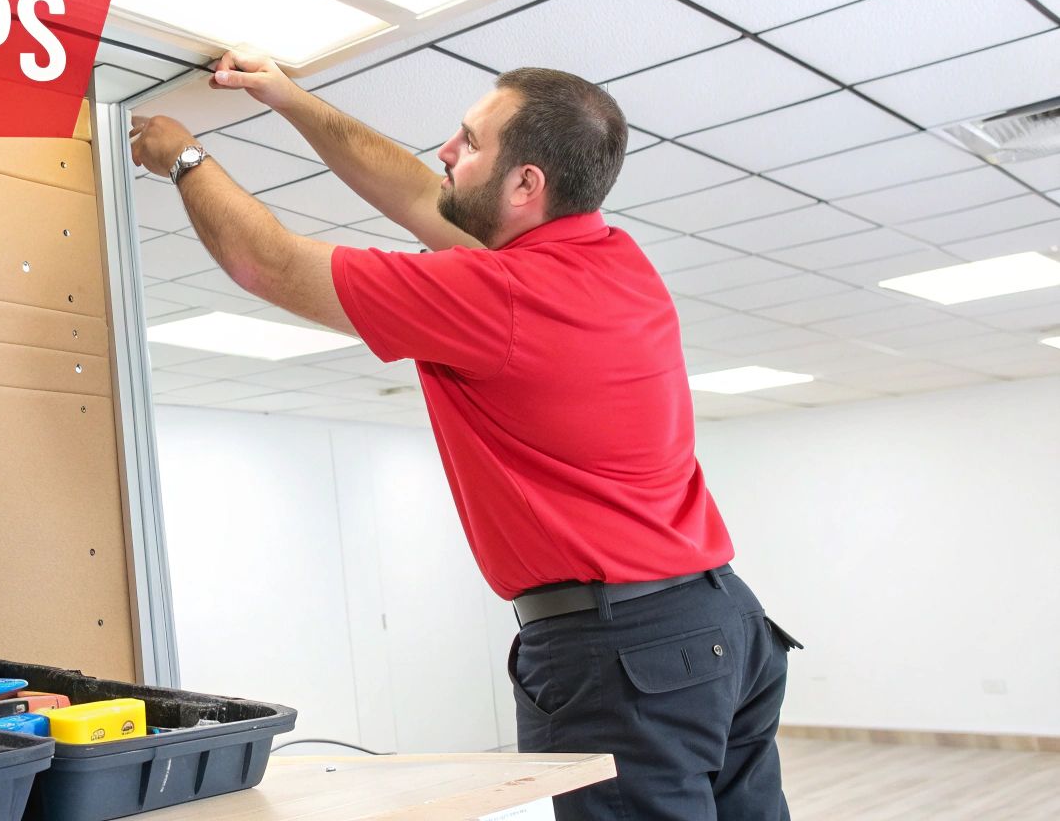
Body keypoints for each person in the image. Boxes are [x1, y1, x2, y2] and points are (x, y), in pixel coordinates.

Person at [129, 50, 800, 821]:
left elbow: (268, 263)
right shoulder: (615, 261)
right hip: (725, 622)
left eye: (469, 141)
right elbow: (420, 194)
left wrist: (183, 156)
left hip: (625, 649)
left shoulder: (499, 296)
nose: (445, 153)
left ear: (526, 185)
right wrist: (288, 98)